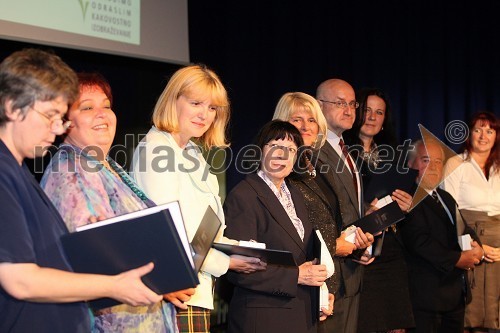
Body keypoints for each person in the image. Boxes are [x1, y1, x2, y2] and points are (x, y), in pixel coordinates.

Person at [0, 48, 162, 333]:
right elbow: (19, 279)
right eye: (50, 115)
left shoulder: (19, 171)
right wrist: (113, 285)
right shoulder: (4, 172)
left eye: (61, 117)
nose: (56, 128)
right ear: (13, 107)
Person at [40, 72, 194, 332]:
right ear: (65, 122)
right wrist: (164, 280)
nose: (102, 114)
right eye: (87, 107)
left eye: (106, 106)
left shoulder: (103, 165)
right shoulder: (73, 170)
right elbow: (97, 252)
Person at [130, 64, 266, 333]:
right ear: (173, 101)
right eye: (196, 103)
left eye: (212, 107)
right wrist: (227, 262)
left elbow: (208, 230)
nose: (205, 115)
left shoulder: (191, 152)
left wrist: (241, 250)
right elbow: (168, 232)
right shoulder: (156, 149)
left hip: (195, 291)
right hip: (173, 292)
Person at [223, 119, 331, 333]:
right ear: (260, 151)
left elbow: (305, 257)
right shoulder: (243, 196)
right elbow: (239, 268)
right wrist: (296, 276)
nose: (282, 154)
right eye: (274, 146)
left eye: (291, 149)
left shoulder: (296, 195)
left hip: (300, 314)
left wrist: (323, 291)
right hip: (263, 318)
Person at [343, 87, 415, 333]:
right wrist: (364, 209)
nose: (372, 117)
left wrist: (406, 206)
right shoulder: (341, 152)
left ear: (385, 120)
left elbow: (402, 202)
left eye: (379, 112)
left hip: (391, 249)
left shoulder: (394, 156)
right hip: (359, 248)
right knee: (365, 323)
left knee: (396, 324)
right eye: (367, 110)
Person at [402, 139, 485, 333]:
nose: (433, 167)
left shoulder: (446, 197)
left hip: (455, 297)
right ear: (411, 164)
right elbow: (418, 241)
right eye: (426, 160)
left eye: (438, 162)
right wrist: (458, 259)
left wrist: (478, 249)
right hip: (425, 299)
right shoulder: (406, 198)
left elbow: (465, 229)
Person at [315, 78, 375, 333]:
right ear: (318, 106)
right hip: (329, 275)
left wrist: (364, 240)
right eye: (340, 103)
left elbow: (351, 213)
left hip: (352, 272)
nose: (349, 110)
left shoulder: (346, 150)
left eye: (352, 104)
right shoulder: (312, 150)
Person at [442, 111, 500, 333]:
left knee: (494, 316)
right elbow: (450, 213)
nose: (483, 136)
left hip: (498, 250)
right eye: (478, 130)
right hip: (469, 244)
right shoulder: (456, 163)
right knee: (469, 314)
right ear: (469, 134)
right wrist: (476, 248)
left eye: (489, 131)